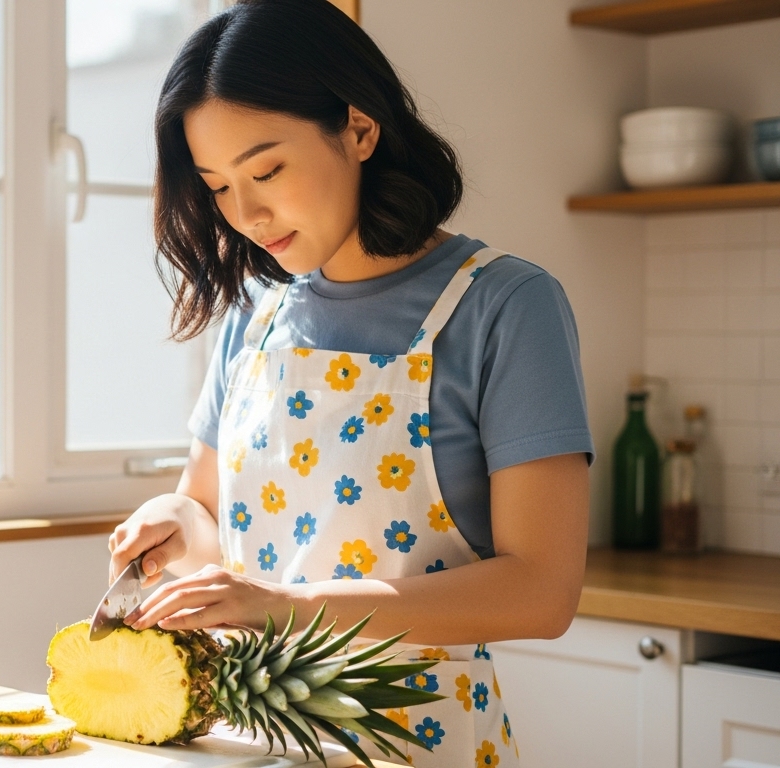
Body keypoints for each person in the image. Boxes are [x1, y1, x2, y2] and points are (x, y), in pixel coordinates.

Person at [108, 2, 592, 765]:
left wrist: (283, 611)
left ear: (360, 129)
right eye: (219, 187)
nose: (247, 214)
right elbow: (205, 512)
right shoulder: (252, 316)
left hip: (417, 742)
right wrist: (171, 521)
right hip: (249, 737)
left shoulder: (503, 305)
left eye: (266, 170)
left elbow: (542, 592)